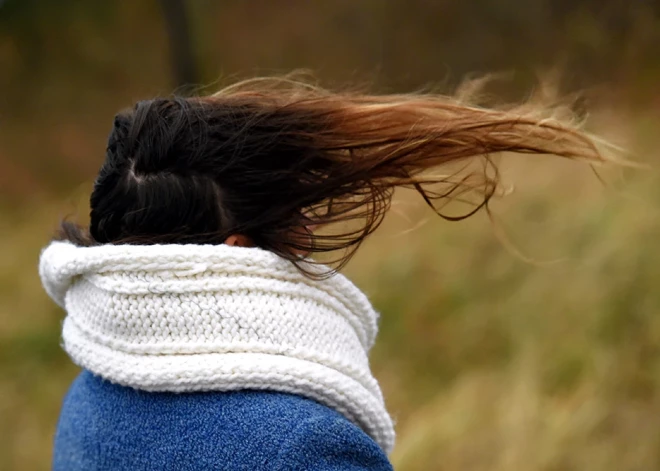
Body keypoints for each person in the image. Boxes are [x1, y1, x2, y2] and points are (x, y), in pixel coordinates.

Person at [39, 77, 610, 470]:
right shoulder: (304, 448)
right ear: (237, 252)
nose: (308, 234)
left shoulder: (87, 400)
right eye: (294, 218)